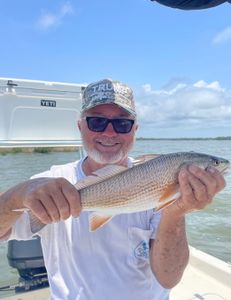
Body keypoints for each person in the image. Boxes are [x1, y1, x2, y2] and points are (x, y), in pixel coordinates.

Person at [0, 78, 226, 300]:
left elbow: (169, 279)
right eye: (97, 122)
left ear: (135, 129)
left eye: (122, 124)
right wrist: (18, 195)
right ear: (80, 125)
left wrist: (177, 210)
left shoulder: (162, 189)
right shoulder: (51, 181)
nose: (109, 133)